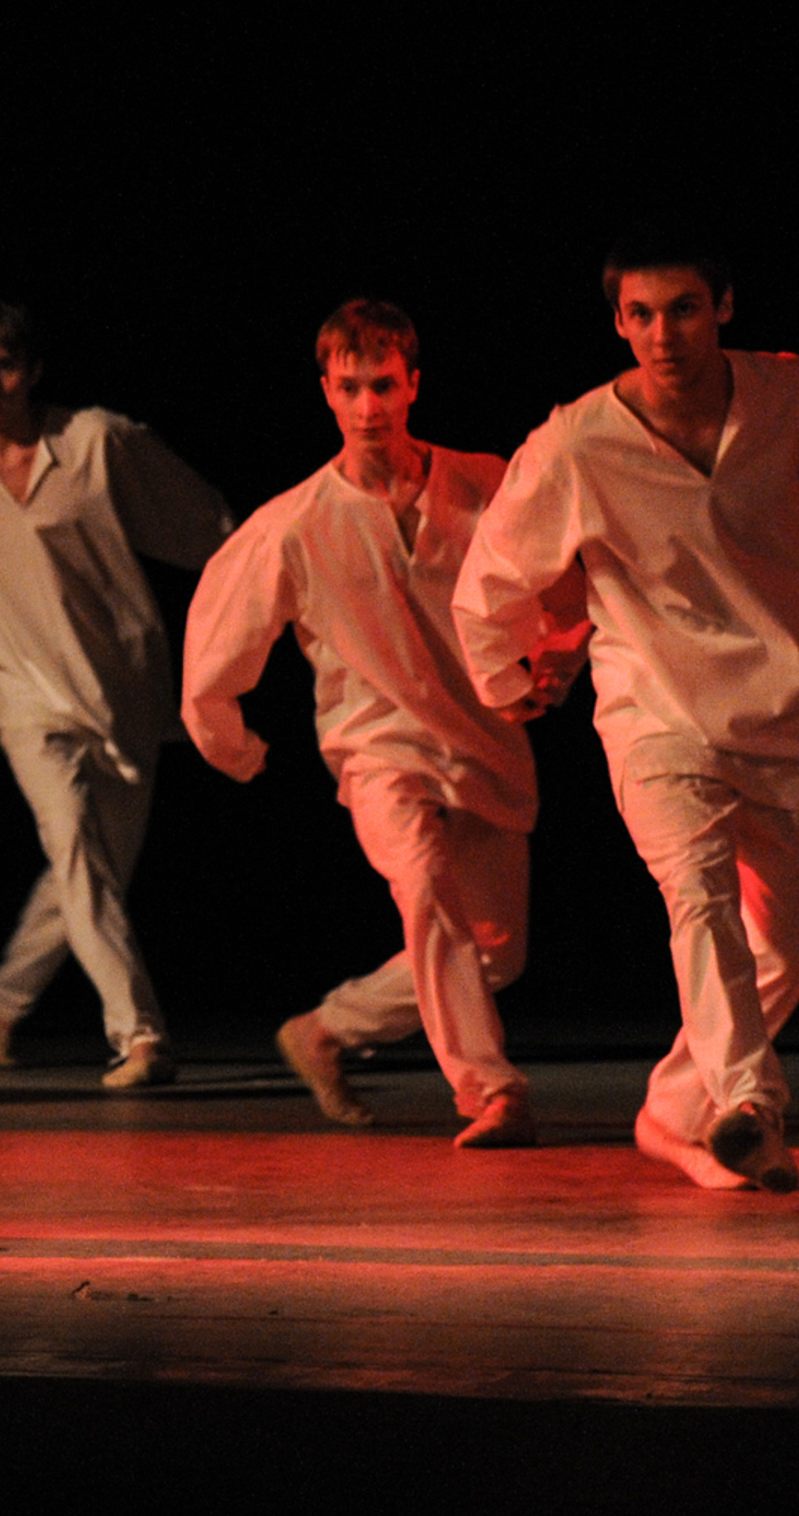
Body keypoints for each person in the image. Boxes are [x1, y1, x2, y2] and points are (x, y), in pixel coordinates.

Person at [182, 299, 588, 1145]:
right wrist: (238, 749)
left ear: (413, 386)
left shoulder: (482, 483)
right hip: (376, 748)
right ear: (326, 392)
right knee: (426, 888)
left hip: (483, 740)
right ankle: (491, 1089)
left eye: (384, 386)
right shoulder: (293, 524)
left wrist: (560, 652)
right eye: (350, 388)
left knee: (496, 954)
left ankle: (326, 1029)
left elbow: (567, 582)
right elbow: (216, 653)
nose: (369, 406)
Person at [456, 243, 799, 1195]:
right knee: (699, 895)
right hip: (657, 712)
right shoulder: (578, 442)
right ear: (617, 322)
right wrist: (505, 682)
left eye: (684, 310)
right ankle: (750, 1103)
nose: (664, 335)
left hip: (783, 711)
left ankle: (676, 1111)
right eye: (641, 315)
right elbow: (489, 581)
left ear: (725, 306)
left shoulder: (785, 402)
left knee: (787, 941)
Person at [0, 295, 233, 1086]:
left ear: (32, 370)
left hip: (125, 685)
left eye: (6, 363)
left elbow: (203, 520)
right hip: (25, 692)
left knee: (92, 869)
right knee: (74, 849)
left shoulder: (95, 443)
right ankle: (139, 1035)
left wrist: (258, 584)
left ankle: (6, 991)